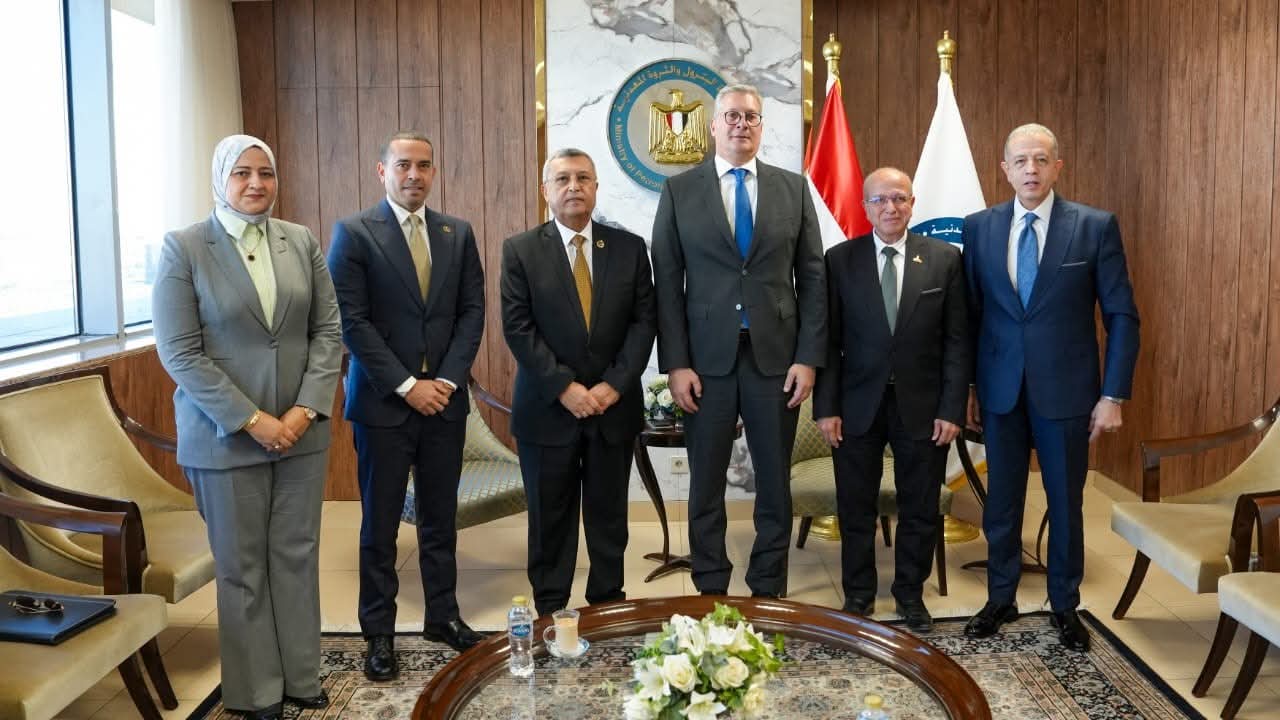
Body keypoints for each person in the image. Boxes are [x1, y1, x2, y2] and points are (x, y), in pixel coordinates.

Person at [153, 134, 342, 720]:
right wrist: (253, 420)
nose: (256, 183)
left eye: (266, 172)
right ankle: (256, 692)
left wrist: (303, 410)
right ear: (220, 179)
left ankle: (301, 676)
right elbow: (180, 352)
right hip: (224, 438)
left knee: (295, 556)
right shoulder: (185, 247)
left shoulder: (300, 240)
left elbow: (327, 331)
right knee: (242, 569)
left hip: (302, 434)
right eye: (242, 173)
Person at [962, 124, 1140, 650]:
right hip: (1000, 390)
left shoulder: (1094, 227)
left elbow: (1122, 316)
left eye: (1041, 159)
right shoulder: (979, 228)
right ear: (1005, 169)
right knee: (1001, 504)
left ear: (1058, 166)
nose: (1031, 170)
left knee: (1065, 503)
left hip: (1068, 392)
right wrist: (969, 386)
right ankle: (1000, 598)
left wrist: (1113, 395)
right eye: (1021, 161)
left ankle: (1064, 604)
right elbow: (971, 316)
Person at [651, 84, 826, 598]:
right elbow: (668, 284)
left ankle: (767, 588)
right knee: (706, 482)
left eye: (751, 116)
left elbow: (813, 278)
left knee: (774, 481)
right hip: (705, 362)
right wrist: (676, 364)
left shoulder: (793, 189)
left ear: (761, 127)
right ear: (713, 126)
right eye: (731, 116)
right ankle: (710, 585)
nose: (741, 124)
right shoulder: (679, 191)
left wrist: (809, 358)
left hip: (777, 360)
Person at [327, 131, 486, 678]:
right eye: (402, 165)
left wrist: (445, 380)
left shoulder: (456, 233)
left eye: (423, 165)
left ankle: (443, 616)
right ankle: (379, 632)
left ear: (434, 172)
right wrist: (405, 385)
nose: (413, 174)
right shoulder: (354, 233)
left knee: (440, 520)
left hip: (444, 403)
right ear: (383, 171)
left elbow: (472, 314)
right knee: (381, 526)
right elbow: (352, 322)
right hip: (382, 406)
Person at [500, 148, 656, 616]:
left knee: (609, 517)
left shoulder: (629, 249)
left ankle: (606, 604)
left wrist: (614, 385)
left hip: (613, 409)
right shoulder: (521, 250)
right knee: (550, 518)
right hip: (548, 410)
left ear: (595, 188)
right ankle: (551, 608)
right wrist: (565, 388)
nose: (574, 187)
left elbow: (644, 323)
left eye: (583, 178)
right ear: (545, 191)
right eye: (563, 179)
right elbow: (518, 328)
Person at [813, 168, 969, 631]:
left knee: (919, 506)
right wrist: (826, 407)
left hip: (924, 406)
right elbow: (828, 342)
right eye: (880, 200)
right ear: (865, 207)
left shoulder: (944, 259)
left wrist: (952, 408)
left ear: (913, 203)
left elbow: (958, 341)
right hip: (855, 405)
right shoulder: (839, 260)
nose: (890, 208)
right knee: (854, 506)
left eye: (899, 198)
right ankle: (859, 594)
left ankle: (910, 595)